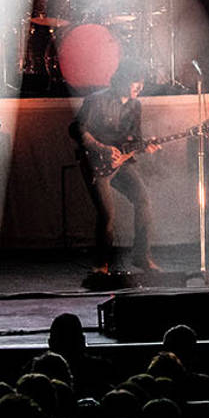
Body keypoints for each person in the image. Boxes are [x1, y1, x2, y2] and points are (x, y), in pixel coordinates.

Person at [71, 64, 162, 276]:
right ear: (122, 80)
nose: (139, 87)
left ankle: (142, 256)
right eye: (135, 82)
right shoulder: (97, 100)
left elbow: (134, 140)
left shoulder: (135, 106)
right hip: (95, 162)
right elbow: (76, 129)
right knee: (107, 214)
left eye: (141, 83)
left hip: (121, 163)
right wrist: (102, 149)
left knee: (143, 200)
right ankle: (101, 264)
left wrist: (145, 147)